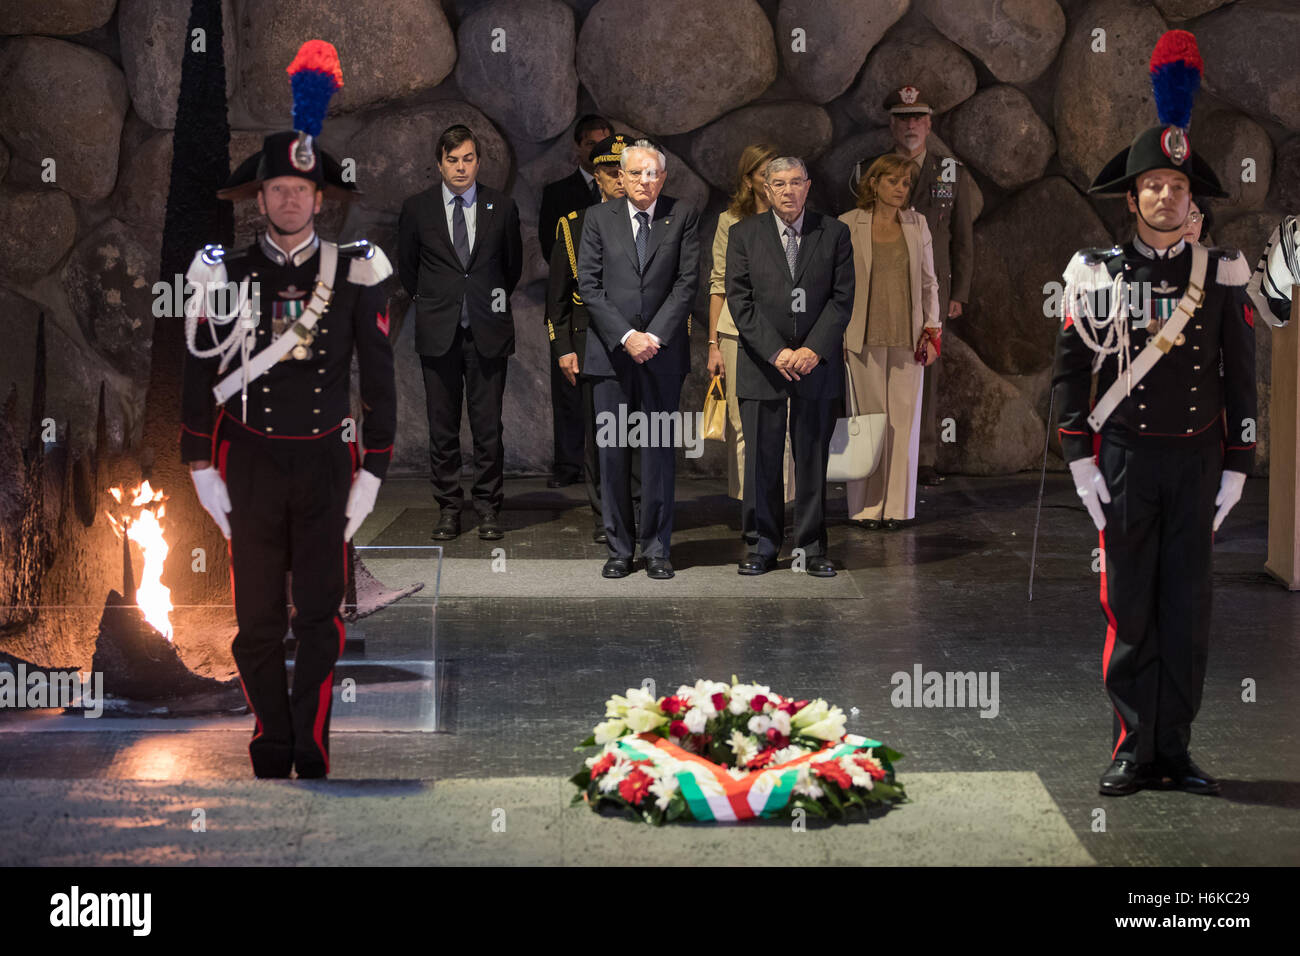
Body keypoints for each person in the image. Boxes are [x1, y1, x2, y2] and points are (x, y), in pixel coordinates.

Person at [182, 40, 396, 779]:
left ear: (320, 198)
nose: (289, 200)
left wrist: (373, 470)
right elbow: (198, 373)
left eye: (301, 191)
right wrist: (198, 463)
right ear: (261, 197)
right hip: (251, 463)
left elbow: (380, 379)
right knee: (257, 624)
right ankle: (272, 742)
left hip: (325, 464)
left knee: (320, 617)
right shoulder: (225, 273)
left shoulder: (355, 268)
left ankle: (311, 742)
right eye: (276, 189)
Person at [1052, 30, 1256, 798]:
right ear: (1131, 198)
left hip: (1198, 462)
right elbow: (1070, 371)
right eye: (1153, 186)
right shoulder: (1094, 275)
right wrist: (1078, 457)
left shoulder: (1222, 271)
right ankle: (1132, 748)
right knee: (1129, 606)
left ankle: (1177, 747)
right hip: (1127, 463)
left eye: (1178, 185)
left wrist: (1238, 465)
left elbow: (1242, 379)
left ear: (1191, 198)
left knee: (1189, 610)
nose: (1166, 196)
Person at [577, 139, 700, 579]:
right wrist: (628, 336)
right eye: (636, 173)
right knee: (611, 453)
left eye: (653, 174)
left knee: (658, 453)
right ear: (620, 178)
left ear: (662, 178)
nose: (645, 181)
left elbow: (687, 283)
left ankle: (657, 550)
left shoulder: (681, 214)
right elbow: (588, 286)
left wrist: (654, 337)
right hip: (611, 355)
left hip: (662, 355)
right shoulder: (596, 218)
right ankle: (618, 549)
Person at [726, 157, 854, 577]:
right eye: (778, 183)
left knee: (812, 458)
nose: (787, 190)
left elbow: (841, 300)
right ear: (765, 189)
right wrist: (776, 352)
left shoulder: (834, 233)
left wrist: (814, 349)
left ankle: (813, 548)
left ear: (808, 185)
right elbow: (740, 301)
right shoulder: (743, 234)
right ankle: (763, 545)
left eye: (795, 182)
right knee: (762, 459)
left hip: (815, 365)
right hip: (764, 365)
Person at [398, 124, 523, 541]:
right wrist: (439, 302)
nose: (461, 167)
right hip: (438, 333)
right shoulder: (418, 209)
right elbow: (407, 269)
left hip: (488, 331)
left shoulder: (501, 207)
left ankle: (489, 508)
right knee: (443, 427)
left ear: (478, 161)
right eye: (452, 160)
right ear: (439, 164)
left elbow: (512, 267)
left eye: (468, 158)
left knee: (489, 427)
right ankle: (449, 508)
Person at [855, 85, 973, 486]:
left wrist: (959, 293)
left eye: (918, 118)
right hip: (881, 286)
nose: (911, 125)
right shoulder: (868, 168)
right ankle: (876, 451)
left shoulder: (949, 170)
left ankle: (921, 457)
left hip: (930, 288)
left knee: (926, 369)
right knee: (874, 370)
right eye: (903, 118)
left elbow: (962, 235)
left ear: (929, 123)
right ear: (891, 123)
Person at [545, 133, 638, 543]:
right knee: (600, 435)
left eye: (625, 171)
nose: (618, 180)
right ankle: (606, 515)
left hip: (640, 343)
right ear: (596, 177)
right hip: (591, 342)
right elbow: (558, 298)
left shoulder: (652, 221)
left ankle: (637, 507)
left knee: (641, 430)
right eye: (609, 172)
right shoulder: (574, 225)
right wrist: (563, 348)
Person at [840, 154, 940, 531]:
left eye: (905, 183)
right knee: (867, 423)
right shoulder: (849, 224)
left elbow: (930, 283)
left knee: (903, 424)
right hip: (861, 337)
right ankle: (865, 507)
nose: (900, 189)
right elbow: (838, 286)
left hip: (907, 338)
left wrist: (932, 332)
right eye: (893, 181)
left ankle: (898, 508)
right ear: (874, 183)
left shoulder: (917, 224)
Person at [707, 143, 795, 542]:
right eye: (765, 172)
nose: (773, 178)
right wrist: (712, 343)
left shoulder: (794, 217)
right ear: (749, 179)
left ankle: (783, 506)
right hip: (736, 333)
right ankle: (753, 511)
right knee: (744, 425)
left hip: (785, 334)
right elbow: (719, 283)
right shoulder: (731, 221)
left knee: (786, 424)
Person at [539, 114, 614, 489]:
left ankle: (619, 488)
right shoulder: (559, 196)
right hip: (576, 311)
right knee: (569, 396)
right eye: (591, 143)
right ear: (579, 147)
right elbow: (550, 251)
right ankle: (569, 465)